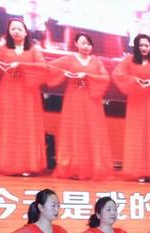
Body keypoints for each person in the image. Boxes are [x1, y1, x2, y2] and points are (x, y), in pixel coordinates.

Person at [0, 19, 48, 175]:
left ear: (26, 32)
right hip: (8, 92)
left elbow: (43, 67)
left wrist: (22, 66)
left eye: (19, 29)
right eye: (13, 28)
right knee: (10, 125)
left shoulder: (33, 50)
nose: (16, 31)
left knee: (26, 126)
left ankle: (27, 165)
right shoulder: (3, 49)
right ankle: (10, 165)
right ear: (8, 32)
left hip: (28, 94)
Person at [48, 33, 113, 180]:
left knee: (91, 131)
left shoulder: (96, 61)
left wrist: (88, 77)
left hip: (92, 101)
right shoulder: (69, 59)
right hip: (74, 99)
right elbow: (50, 67)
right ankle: (74, 168)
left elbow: (105, 78)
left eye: (89, 44)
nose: (86, 46)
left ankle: (91, 168)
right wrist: (65, 73)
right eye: (83, 43)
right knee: (74, 130)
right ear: (76, 43)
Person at [112, 34, 150, 183]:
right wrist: (134, 80)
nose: (144, 48)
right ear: (136, 46)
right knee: (137, 136)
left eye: (147, 45)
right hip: (136, 103)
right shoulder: (129, 60)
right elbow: (118, 74)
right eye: (141, 45)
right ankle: (139, 172)